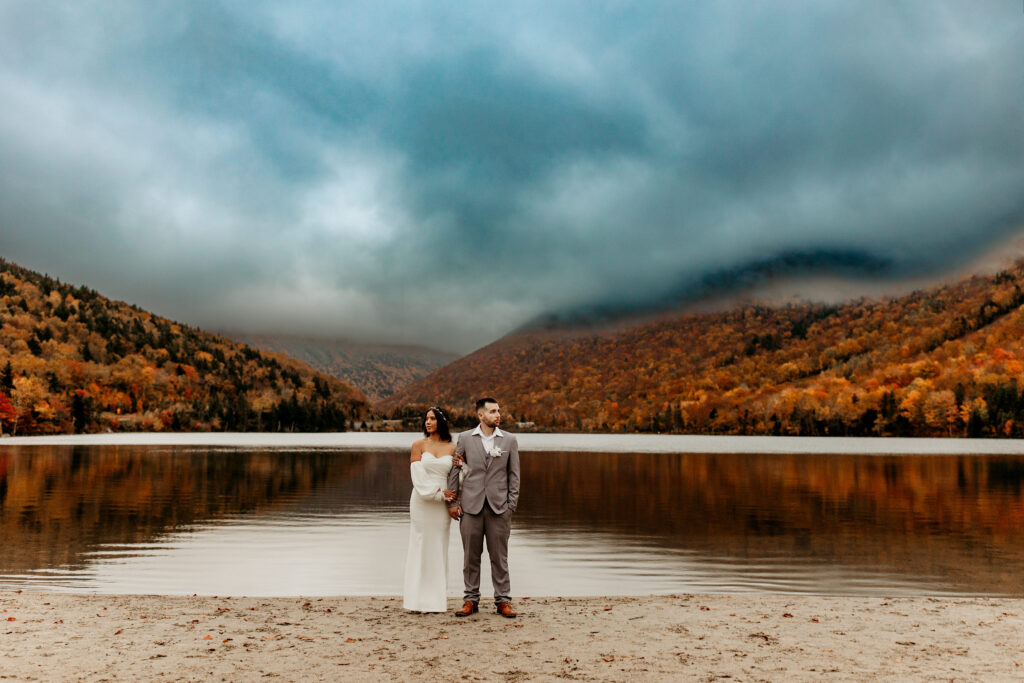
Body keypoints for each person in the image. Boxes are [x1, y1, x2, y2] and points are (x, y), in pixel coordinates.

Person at [446, 397, 521, 618]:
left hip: (499, 508)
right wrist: (452, 502)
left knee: (500, 557)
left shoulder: (509, 440)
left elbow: (514, 475)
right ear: (481, 415)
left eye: (499, 411)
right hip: (470, 506)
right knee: (470, 557)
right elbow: (455, 470)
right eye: (492, 411)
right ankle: (470, 600)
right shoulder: (465, 438)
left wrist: (511, 505)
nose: (498, 415)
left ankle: (503, 601)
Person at [402, 406, 458, 612]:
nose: (428, 422)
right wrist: (437, 493)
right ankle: (415, 600)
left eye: (432, 419)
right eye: (426, 419)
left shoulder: (453, 448)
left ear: (441, 422)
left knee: (438, 547)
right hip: (422, 501)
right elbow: (417, 476)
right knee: (420, 545)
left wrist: (451, 493)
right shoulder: (418, 445)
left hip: (443, 507)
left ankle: (436, 601)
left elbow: (458, 477)